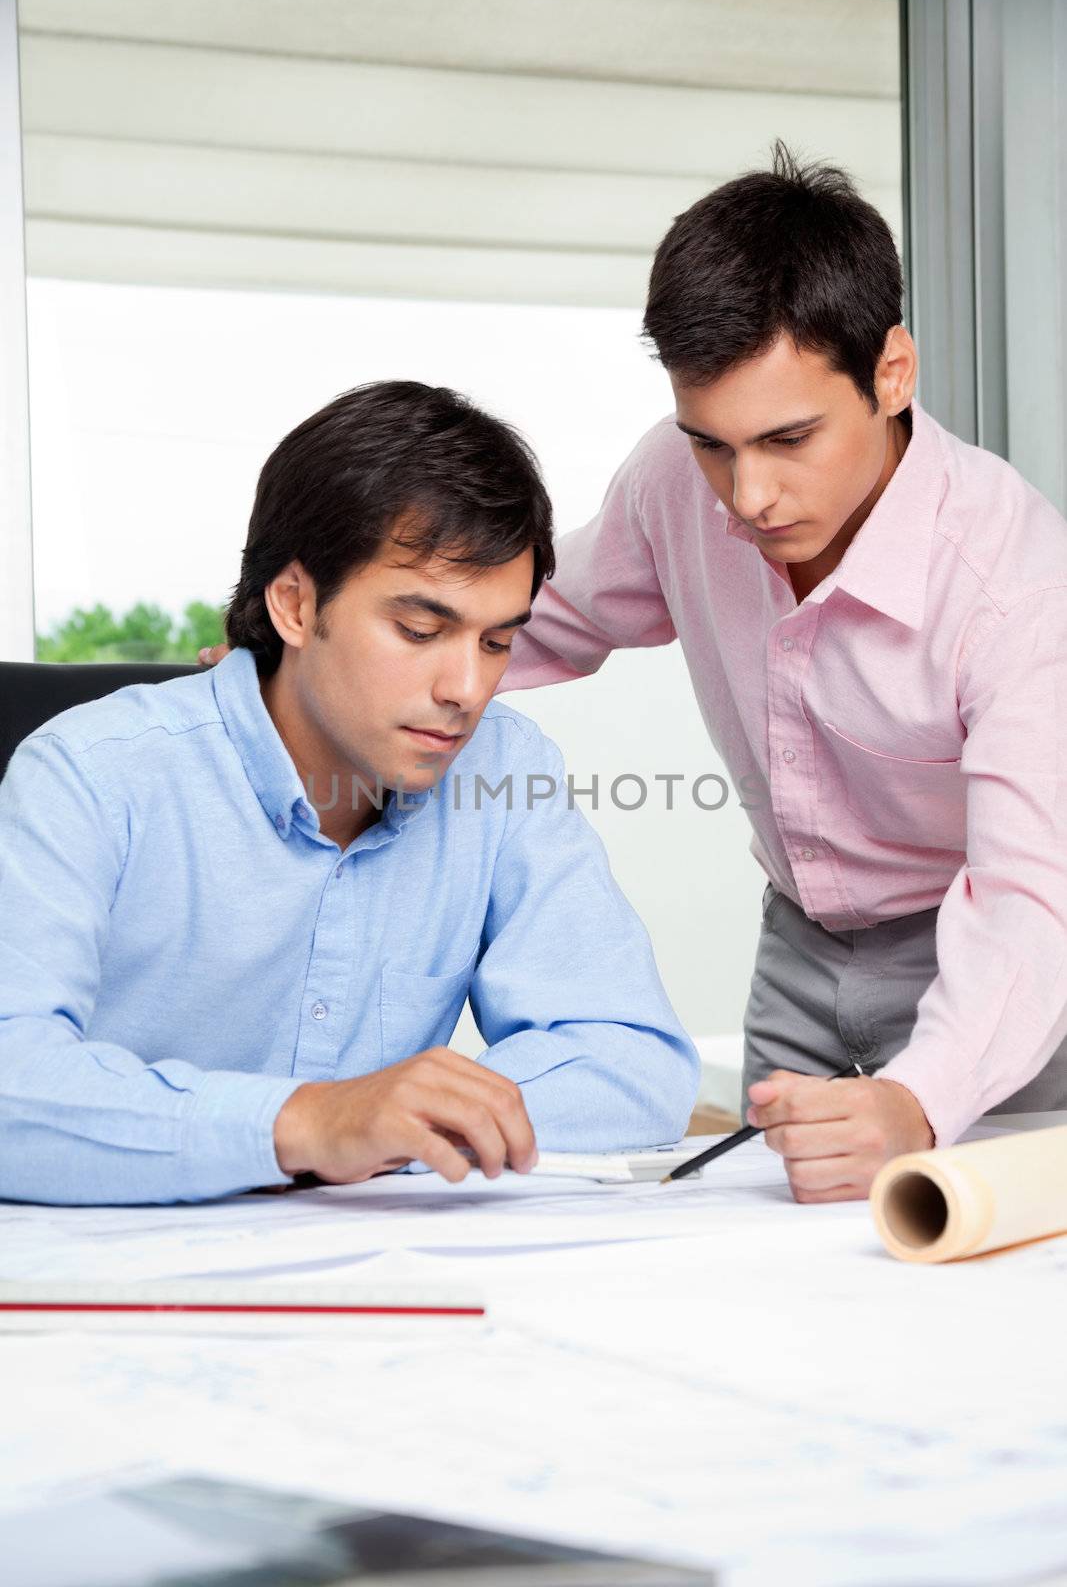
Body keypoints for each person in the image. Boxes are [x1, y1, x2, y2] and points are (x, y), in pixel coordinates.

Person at [494, 144, 1067, 1200]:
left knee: (981, 1277)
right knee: (768, 1265)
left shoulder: (1015, 585)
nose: (745, 495)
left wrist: (917, 1100)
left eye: (787, 438)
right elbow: (534, 620)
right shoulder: (676, 482)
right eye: (711, 443)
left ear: (890, 373)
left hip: (985, 968)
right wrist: (317, 662)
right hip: (796, 953)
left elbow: (1032, 901)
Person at [0, 381, 699, 1207]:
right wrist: (308, 1124)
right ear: (294, 604)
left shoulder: (503, 774)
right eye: (419, 630)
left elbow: (632, 1060)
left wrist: (415, 1122)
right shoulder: (88, 773)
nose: (467, 688)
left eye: (498, 640)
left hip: (381, 1279)